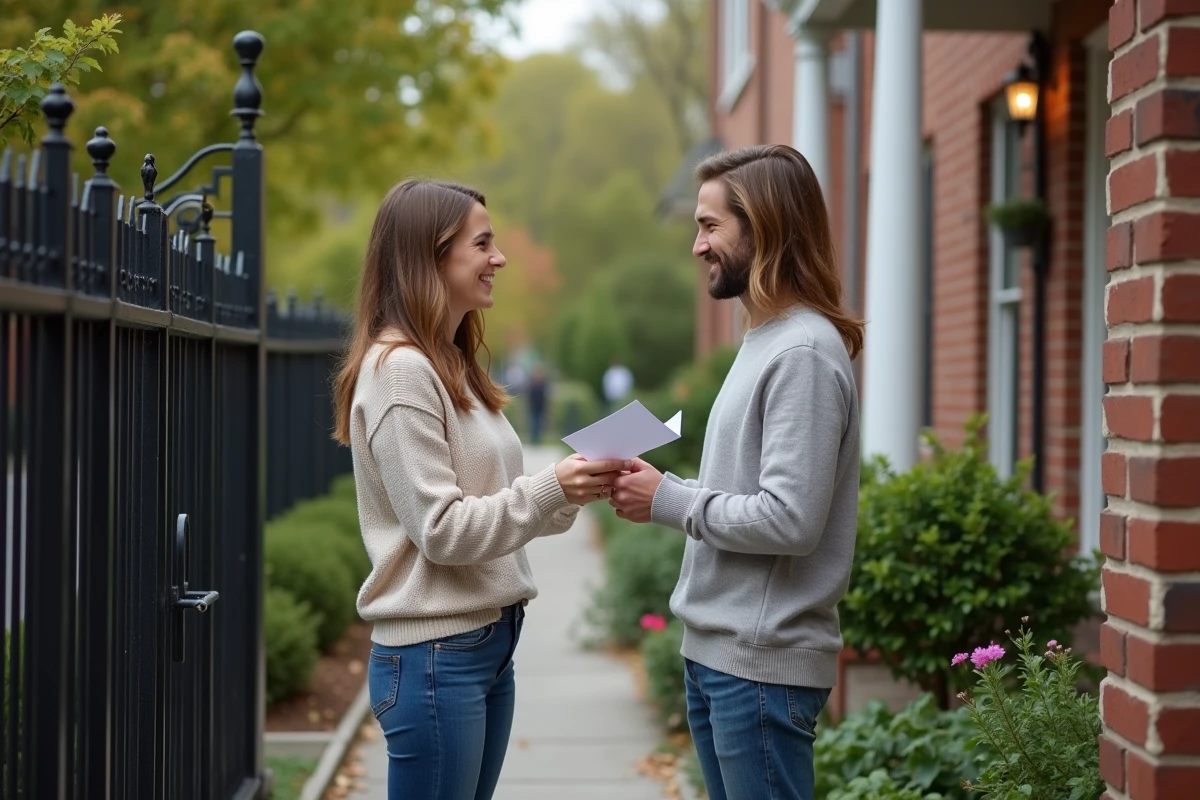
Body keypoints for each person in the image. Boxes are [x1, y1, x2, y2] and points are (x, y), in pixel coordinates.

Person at [332, 179, 624, 800]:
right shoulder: (401, 372)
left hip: (485, 645)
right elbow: (441, 530)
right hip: (437, 657)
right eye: (483, 243)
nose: (501, 258)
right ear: (430, 256)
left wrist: (572, 485)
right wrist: (551, 487)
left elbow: (498, 500)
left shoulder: (450, 361)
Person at [608, 144, 864, 800]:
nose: (697, 246)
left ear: (764, 227)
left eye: (709, 226)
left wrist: (669, 501)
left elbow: (790, 519)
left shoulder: (802, 351)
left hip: (759, 670)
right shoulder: (766, 341)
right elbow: (753, 495)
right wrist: (662, 490)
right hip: (721, 659)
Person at [526, 363, 549, 445]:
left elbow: (544, 396)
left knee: (538, 423)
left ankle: (537, 439)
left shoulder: (542, 383)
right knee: (534, 423)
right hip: (534, 406)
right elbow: (530, 395)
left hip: (540, 406)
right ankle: (534, 439)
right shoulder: (533, 383)